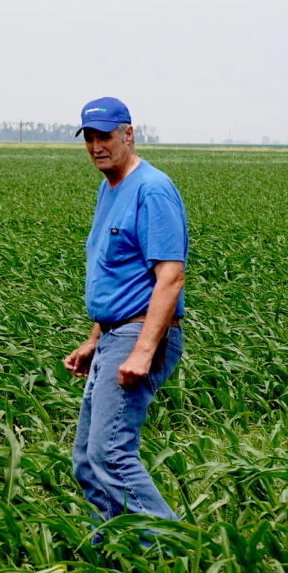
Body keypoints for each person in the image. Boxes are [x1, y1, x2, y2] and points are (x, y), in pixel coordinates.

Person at [64, 96, 187, 530]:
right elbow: (117, 271)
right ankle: (116, 564)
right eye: (90, 138)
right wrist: (95, 339)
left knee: (110, 454)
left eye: (106, 136)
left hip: (138, 335)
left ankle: (174, 556)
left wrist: (143, 350)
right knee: (86, 461)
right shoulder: (109, 187)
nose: (98, 146)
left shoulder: (151, 189)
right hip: (114, 335)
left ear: (128, 134)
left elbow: (170, 277)